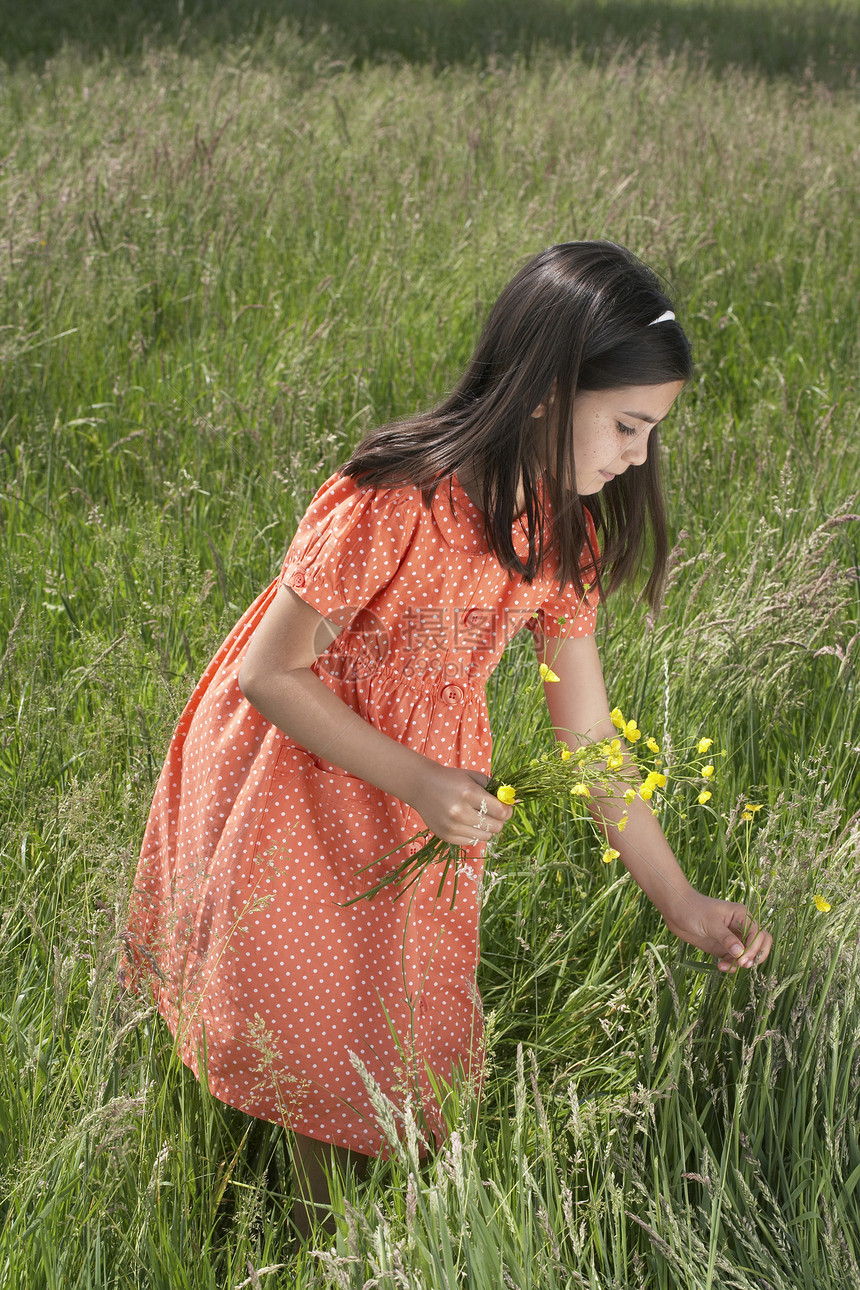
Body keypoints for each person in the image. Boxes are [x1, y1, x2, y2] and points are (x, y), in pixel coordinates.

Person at [124, 240, 773, 1237]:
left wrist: (675, 896)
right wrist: (418, 777)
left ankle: (345, 1207)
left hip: (415, 796)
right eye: (628, 426)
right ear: (552, 393)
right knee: (310, 1005)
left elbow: (586, 731)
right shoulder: (395, 498)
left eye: (651, 433)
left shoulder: (564, 535)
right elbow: (267, 673)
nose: (638, 457)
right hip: (297, 767)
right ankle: (309, 1232)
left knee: (392, 1013)